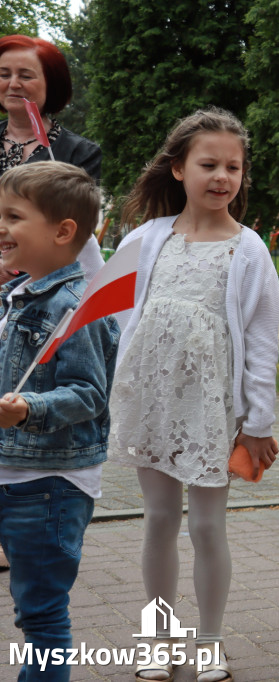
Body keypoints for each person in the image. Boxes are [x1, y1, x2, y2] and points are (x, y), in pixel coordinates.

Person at [109, 108, 279, 682]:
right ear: (179, 168)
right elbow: (108, 314)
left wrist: (258, 419)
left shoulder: (250, 249)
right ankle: (158, 641)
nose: (221, 176)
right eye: (208, 164)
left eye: (233, 166)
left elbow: (260, 341)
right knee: (159, 519)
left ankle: (209, 643)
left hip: (212, 410)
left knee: (207, 527)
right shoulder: (145, 238)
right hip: (152, 403)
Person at [0, 161, 118, 682]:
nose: (0, 227)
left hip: (48, 485)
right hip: (12, 472)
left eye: (12, 216)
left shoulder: (76, 306)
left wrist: (28, 409)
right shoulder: (18, 294)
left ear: (62, 231)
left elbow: (89, 393)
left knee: (42, 615)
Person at [0, 35, 104, 289]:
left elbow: (73, 232)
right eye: (4, 74)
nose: (13, 83)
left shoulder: (80, 153)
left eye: (25, 76)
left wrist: (13, 263)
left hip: (42, 291)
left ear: (51, 84)